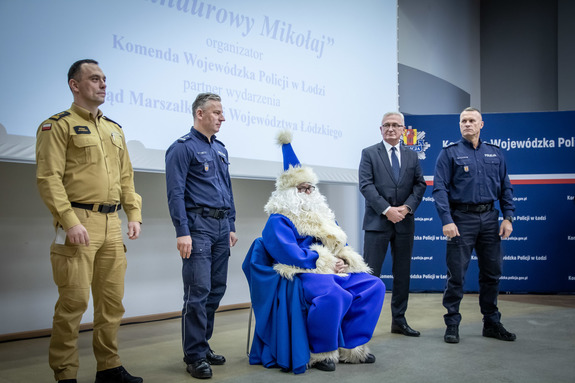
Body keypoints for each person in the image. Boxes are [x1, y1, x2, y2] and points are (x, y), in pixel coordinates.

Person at [35, 59, 143, 383]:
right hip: (79, 223)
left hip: (112, 224)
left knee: (111, 303)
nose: (103, 84)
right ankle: (65, 374)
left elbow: (126, 177)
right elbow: (48, 178)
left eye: (105, 79)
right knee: (73, 303)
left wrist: (133, 213)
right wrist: (69, 221)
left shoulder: (114, 129)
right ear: (75, 84)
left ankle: (109, 368)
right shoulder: (57, 126)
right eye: (95, 78)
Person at [243, 130, 385, 373]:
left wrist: (342, 259)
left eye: (311, 188)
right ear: (289, 193)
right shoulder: (279, 220)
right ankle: (322, 352)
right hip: (300, 273)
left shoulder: (323, 216)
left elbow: (340, 242)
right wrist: (325, 262)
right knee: (333, 296)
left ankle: (352, 346)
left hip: (329, 269)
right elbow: (289, 255)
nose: (309, 193)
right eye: (303, 189)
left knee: (373, 286)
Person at [165, 92, 238, 380]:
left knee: (216, 290)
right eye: (217, 112)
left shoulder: (220, 149)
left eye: (221, 113)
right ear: (200, 114)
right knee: (198, 292)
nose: (222, 117)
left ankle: (203, 344)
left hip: (221, 228)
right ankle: (194, 355)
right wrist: (182, 232)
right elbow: (175, 193)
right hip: (197, 228)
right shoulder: (181, 148)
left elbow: (227, 190)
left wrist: (231, 224)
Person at [433, 107, 516, 344]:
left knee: (492, 274)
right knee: (456, 275)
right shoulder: (448, 153)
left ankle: (491, 322)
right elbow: (439, 190)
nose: (467, 124)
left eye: (472, 120)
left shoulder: (495, 153)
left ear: (481, 125)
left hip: (490, 219)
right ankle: (452, 324)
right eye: (463, 121)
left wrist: (508, 217)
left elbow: (506, 188)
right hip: (461, 220)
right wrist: (447, 220)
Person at [359, 112, 427, 337]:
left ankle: (399, 321)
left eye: (395, 125)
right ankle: (362, 325)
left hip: (404, 223)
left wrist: (406, 209)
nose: (390, 129)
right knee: (371, 275)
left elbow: (420, 185)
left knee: (402, 273)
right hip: (377, 222)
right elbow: (366, 186)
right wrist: (387, 210)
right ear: (380, 129)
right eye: (386, 125)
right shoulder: (369, 153)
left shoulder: (412, 156)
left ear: (403, 130)